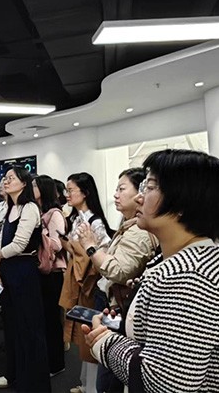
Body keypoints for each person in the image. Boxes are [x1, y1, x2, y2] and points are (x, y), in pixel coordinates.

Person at [83, 149, 219, 392]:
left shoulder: (185, 276)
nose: (139, 198)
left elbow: (162, 381)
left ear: (182, 203)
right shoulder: (200, 255)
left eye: (149, 187)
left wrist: (104, 342)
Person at [76, 168, 157, 393]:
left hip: (120, 305)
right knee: (107, 364)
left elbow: (119, 270)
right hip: (112, 300)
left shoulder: (139, 230)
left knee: (110, 372)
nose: (116, 195)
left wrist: (90, 246)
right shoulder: (128, 223)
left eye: (122, 189)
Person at [0, 166, 51, 392]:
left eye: (11, 178)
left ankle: (33, 383)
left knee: (29, 327)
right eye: (5, 178)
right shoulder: (9, 208)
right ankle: (13, 373)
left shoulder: (30, 208)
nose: (6, 181)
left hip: (24, 270)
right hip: (7, 268)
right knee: (12, 325)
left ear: (24, 183)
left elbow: (19, 244)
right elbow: (1, 241)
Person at [59, 172, 112, 393]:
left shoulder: (94, 222)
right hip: (79, 280)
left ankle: (92, 388)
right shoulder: (77, 218)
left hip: (90, 284)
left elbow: (103, 252)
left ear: (85, 192)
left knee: (90, 334)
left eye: (71, 190)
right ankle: (85, 383)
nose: (67, 194)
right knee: (82, 334)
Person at [32, 175, 67, 377]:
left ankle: (56, 363)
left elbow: (58, 244)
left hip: (52, 271)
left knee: (52, 319)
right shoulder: (37, 211)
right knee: (43, 318)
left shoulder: (54, 214)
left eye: (35, 185)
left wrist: (38, 234)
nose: (31, 188)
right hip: (40, 269)